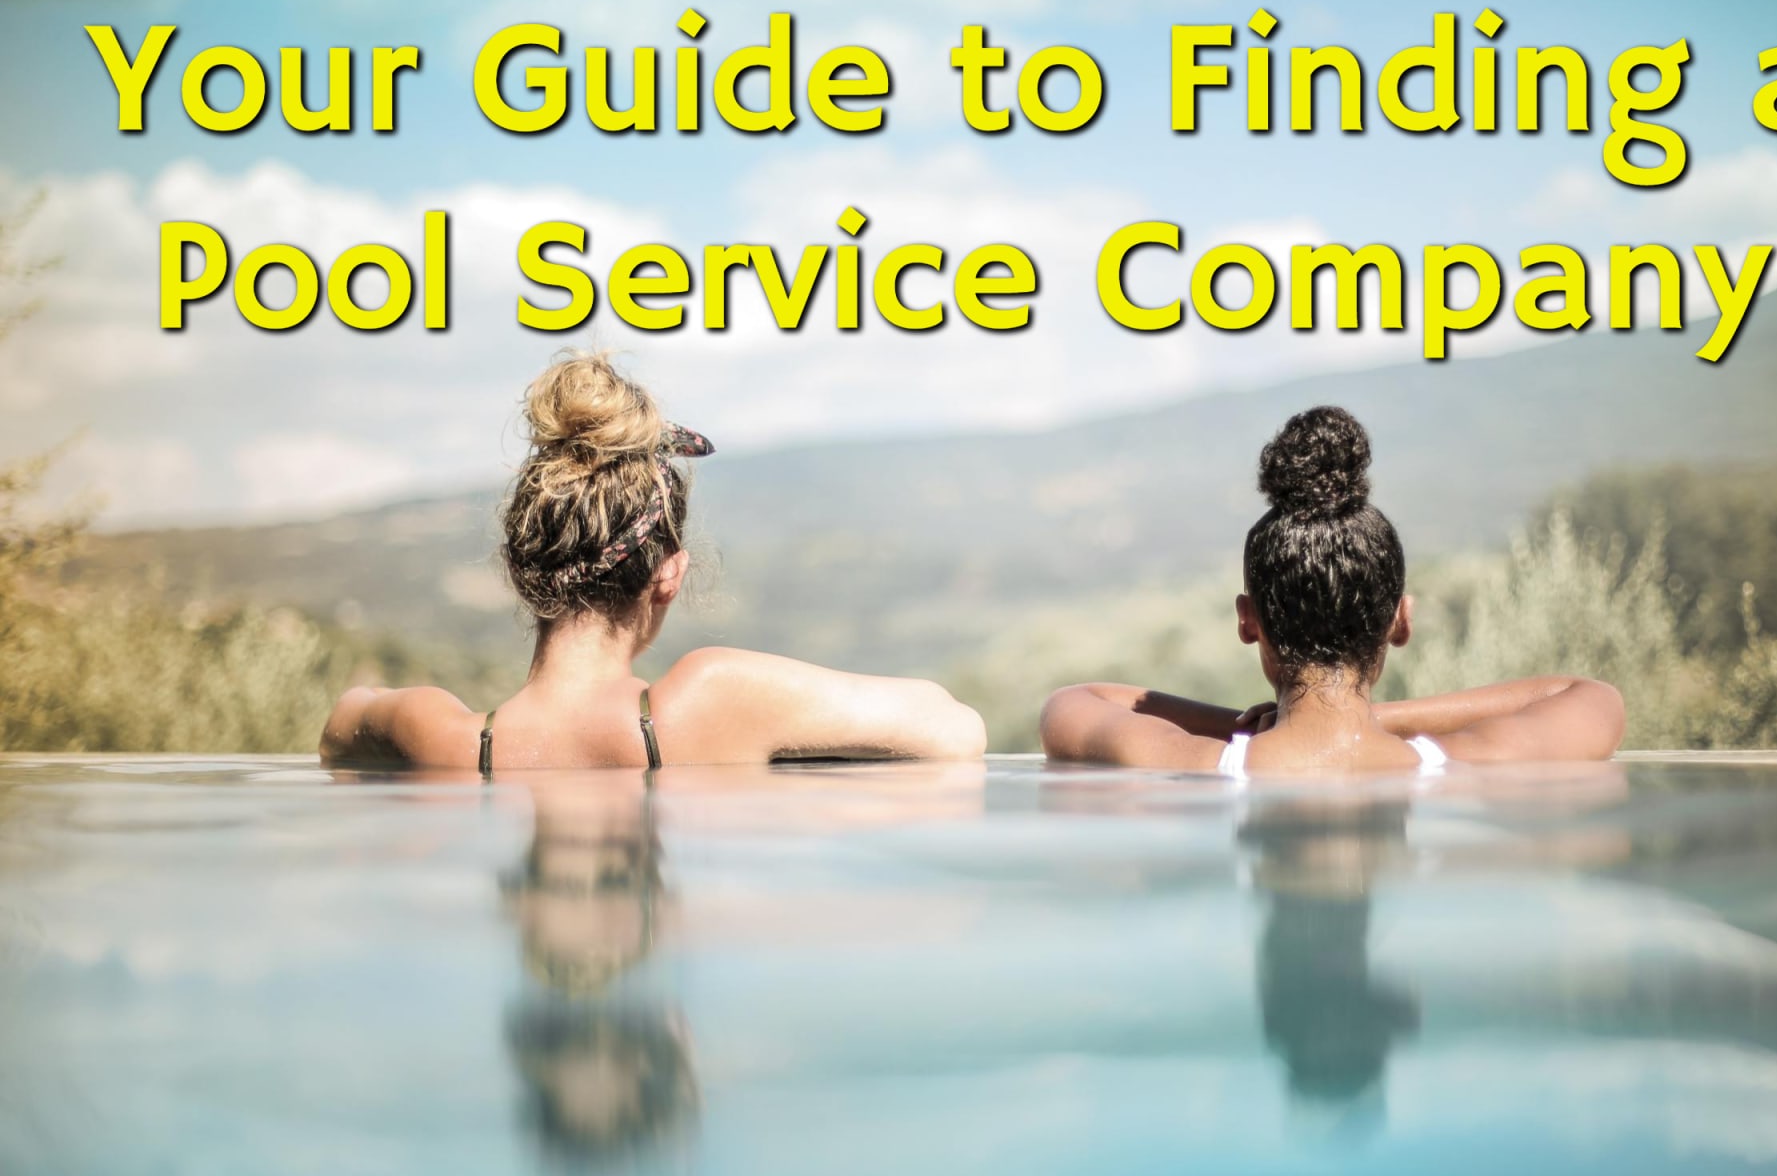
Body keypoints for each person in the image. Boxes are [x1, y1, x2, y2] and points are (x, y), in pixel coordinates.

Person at [321, 351, 986, 772]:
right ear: (668, 574)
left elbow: (344, 722)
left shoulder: (444, 738)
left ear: (518, 566)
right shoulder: (709, 697)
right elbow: (955, 729)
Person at [1039, 406, 1625, 776]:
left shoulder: (1196, 764)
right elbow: (1588, 695)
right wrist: (1373, 717)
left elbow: (1075, 702)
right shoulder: (1460, 761)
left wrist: (1251, 728)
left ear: (1248, 622)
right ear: (1401, 621)